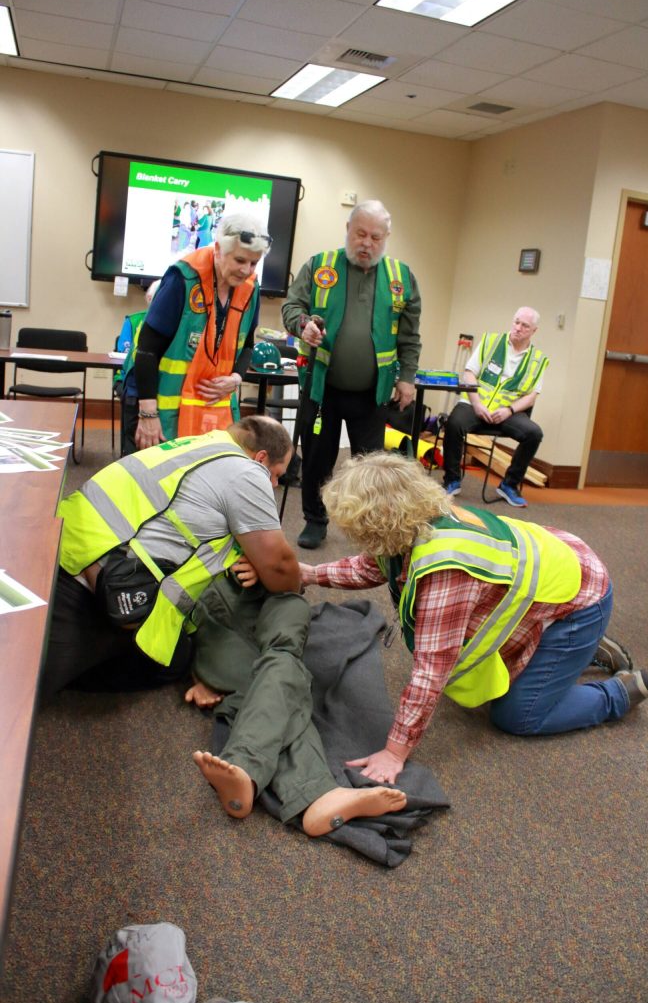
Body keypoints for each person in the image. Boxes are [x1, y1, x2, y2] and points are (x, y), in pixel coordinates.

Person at [299, 452, 648, 785]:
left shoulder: (446, 568)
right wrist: (311, 574)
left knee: (518, 715)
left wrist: (394, 752)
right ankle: (571, 647)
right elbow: (369, 567)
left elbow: (431, 670)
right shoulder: (417, 518)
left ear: (376, 523)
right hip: (560, 569)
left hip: (580, 602)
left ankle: (616, 691)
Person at [41, 416, 298, 699]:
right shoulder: (246, 472)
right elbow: (280, 568)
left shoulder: (201, 444)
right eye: (277, 474)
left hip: (60, 538)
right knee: (26, 682)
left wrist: (255, 559)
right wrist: (275, 571)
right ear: (260, 458)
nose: (275, 484)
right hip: (87, 579)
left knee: (176, 655)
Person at [188, 563, 407, 839]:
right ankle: (320, 797)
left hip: (272, 599)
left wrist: (265, 569)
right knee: (269, 679)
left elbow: (285, 565)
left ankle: (246, 763)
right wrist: (194, 674)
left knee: (281, 655)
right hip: (211, 627)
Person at [281, 199, 422, 550]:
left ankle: (369, 529)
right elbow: (291, 306)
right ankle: (315, 521)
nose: (367, 243)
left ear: (385, 238)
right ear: (348, 230)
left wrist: (407, 377)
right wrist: (303, 325)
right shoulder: (319, 265)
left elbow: (409, 336)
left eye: (376, 237)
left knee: (371, 467)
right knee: (317, 459)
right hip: (321, 388)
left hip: (372, 393)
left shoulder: (402, 278)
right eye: (360, 234)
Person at [120, 210, 271, 455]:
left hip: (204, 406)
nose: (246, 270)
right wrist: (148, 413)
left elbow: (247, 345)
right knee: (147, 472)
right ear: (219, 249)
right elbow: (147, 349)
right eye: (240, 260)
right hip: (152, 398)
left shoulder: (251, 289)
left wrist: (236, 378)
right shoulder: (182, 279)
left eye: (254, 263)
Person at [442, 306, 547, 508]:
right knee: (454, 423)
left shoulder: (538, 359)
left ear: (534, 331)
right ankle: (452, 479)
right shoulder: (491, 341)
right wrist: (477, 404)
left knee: (534, 434)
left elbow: (531, 397)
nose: (518, 328)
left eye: (525, 325)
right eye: (516, 322)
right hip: (475, 404)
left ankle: (509, 485)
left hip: (507, 412)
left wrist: (509, 410)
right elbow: (469, 373)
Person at [115, 279, 161, 455]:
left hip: (162, 393)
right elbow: (127, 355)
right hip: (134, 388)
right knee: (134, 447)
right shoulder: (136, 321)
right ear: (149, 299)